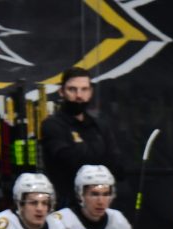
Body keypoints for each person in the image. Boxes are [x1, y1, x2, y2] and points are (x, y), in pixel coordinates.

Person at [40, 67, 122, 207]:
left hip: (100, 204)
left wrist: (85, 156)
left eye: (84, 89)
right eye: (72, 89)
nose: (79, 95)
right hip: (66, 204)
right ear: (61, 92)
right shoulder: (52, 125)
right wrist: (100, 161)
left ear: (90, 92)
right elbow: (69, 162)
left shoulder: (100, 126)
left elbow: (117, 166)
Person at [58, 164, 135, 229]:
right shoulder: (62, 222)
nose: (100, 201)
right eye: (94, 194)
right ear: (80, 195)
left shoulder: (119, 222)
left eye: (106, 194)